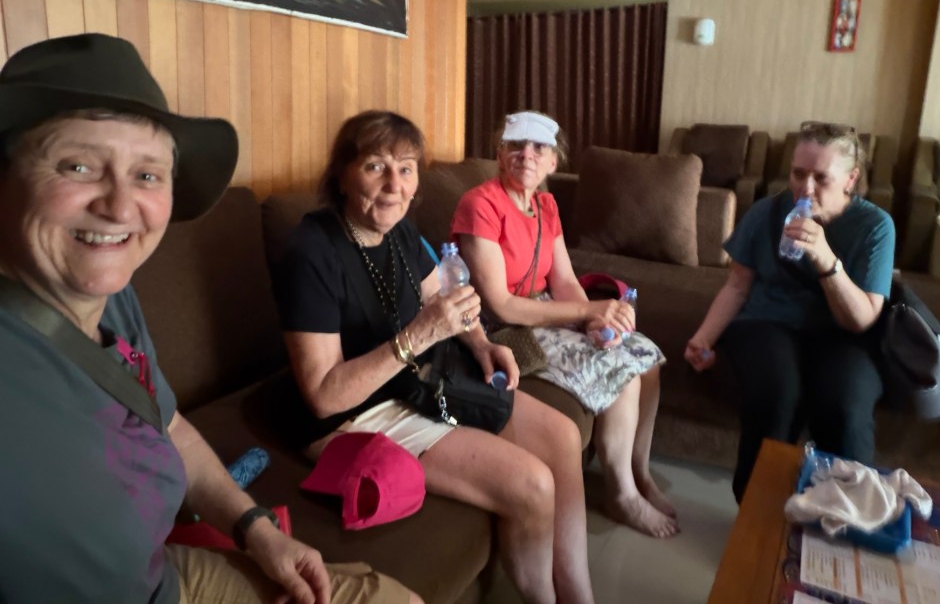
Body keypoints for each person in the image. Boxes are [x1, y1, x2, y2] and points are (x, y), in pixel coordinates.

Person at [0, 34, 417, 604]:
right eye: (77, 166)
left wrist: (256, 530)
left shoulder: (112, 296)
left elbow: (168, 426)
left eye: (147, 175)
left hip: (165, 580)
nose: (119, 207)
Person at [272, 110, 596, 604]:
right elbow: (323, 396)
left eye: (405, 169)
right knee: (532, 485)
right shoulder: (312, 252)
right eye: (375, 167)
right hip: (354, 413)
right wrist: (418, 338)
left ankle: (577, 592)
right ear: (341, 175)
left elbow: (439, 299)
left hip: (416, 378)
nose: (393, 185)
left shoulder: (399, 231)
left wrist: (482, 344)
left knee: (563, 435)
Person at [451, 111, 679, 539]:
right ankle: (622, 493)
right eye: (516, 145)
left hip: (543, 310)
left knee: (645, 356)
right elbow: (502, 305)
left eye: (539, 147)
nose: (527, 154)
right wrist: (586, 313)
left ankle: (639, 471)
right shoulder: (480, 205)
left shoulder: (546, 206)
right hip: (501, 325)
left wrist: (595, 319)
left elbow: (565, 282)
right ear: (499, 154)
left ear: (553, 162)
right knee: (623, 371)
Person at [684, 122, 896, 502]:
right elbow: (737, 285)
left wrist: (826, 260)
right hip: (767, 322)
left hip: (840, 333)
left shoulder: (875, 226)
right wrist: (704, 337)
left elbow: (862, 319)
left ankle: (842, 509)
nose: (805, 188)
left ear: (850, 179)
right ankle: (757, 508)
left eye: (821, 178)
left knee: (845, 405)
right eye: (798, 174)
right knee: (777, 394)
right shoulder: (766, 213)